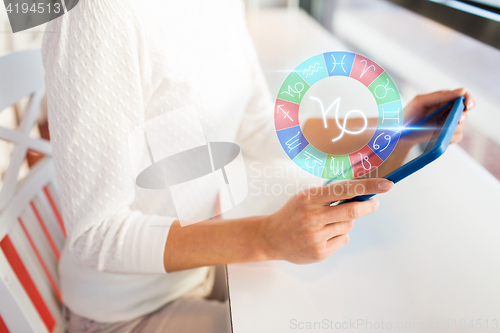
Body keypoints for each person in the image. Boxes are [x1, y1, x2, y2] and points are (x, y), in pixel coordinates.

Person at [41, 0, 475, 332]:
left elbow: (252, 122)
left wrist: (389, 127)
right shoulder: (96, 15)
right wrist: (265, 238)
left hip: (202, 266)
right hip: (127, 311)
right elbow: (95, 237)